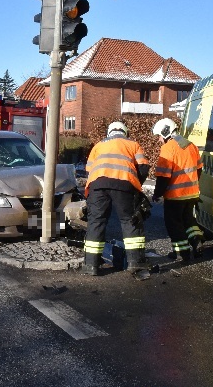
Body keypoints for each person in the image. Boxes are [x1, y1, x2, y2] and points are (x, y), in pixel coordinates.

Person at [83, 121, 151, 277]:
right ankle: (136, 263)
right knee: (130, 221)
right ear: (125, 132)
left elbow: (89, 169)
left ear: (109, 132)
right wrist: (135, 185)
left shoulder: (98, 145)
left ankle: (90, 265)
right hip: (124, 185)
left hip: (97, 185)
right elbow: (144, 167)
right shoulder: (133, 144)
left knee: (96, 222)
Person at [151, 118, 204, 261]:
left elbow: (163, 177)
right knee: (188, 220)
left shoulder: (168, 149)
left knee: (174, 225)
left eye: (159, 136)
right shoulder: (191, 145)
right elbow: (199, 170)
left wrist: (157, 194)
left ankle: (182, 253)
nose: (159, 140)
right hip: (192, 193)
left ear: (165, 131)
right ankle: (196, 239)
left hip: (175, 196)